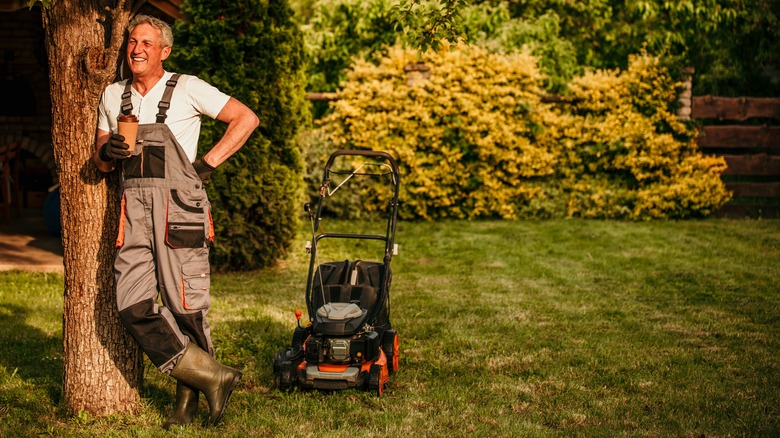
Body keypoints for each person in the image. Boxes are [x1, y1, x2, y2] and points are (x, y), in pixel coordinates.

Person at [92, 15, 259, 428]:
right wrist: (108, 153)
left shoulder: (188, 87)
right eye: (133, 42)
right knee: (132, 305)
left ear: (164, 51)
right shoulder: (113, 96)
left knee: (186, 308)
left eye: (147, 43)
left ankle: (186, 405)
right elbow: (98, 160)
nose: (137, 49)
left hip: (180, 209)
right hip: (132, 211)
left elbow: (246, 118)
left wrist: (204, 166)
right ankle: (213, 376)